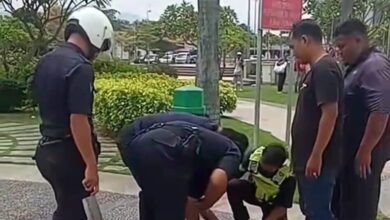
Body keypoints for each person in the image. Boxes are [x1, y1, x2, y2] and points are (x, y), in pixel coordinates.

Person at [32, 7, 113, 220]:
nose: (97, 53)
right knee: (77, 214)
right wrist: (90, 165)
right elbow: (78, 120)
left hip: (46, 151)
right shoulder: (80, 67)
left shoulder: (46, 60)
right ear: (96, 34)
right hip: (69, 155)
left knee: (69, 209)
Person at [117, 112, 242, 220]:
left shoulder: (203, 141)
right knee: (169, 207)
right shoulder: (231, 149)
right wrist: (204, 205)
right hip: (158, 143)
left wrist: (201, 207)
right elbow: (217, 182)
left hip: (135, 145)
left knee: (154, 197)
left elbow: (190, 202)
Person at [332, 19, 390, 220]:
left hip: (365, 153)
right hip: (351, 150)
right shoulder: (359, 65)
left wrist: (365, 150)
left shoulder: (374, 66)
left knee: (359, 205)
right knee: (345, 203)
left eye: (342, 46)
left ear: (358, 40)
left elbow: (381, 111)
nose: (339, 52)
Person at [290, 19, 343, 220]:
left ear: (305, 40)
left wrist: (316, 155)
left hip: (319, 162)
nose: (293, 52)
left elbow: (330, 114)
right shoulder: (316, 70)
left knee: (319, 212)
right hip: (307, 159)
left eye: (293, 46)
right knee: (312, 211)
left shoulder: (325, 69)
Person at [226, 143, 296, 220]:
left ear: (279, 166)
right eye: (264, 163)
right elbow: (238, 174)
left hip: (272, 200)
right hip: (254, 190)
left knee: (277, 215)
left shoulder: (288, 178)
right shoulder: (253, 159)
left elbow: (282, 208)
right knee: (233, 185)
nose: (266, 168)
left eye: (271, 167)